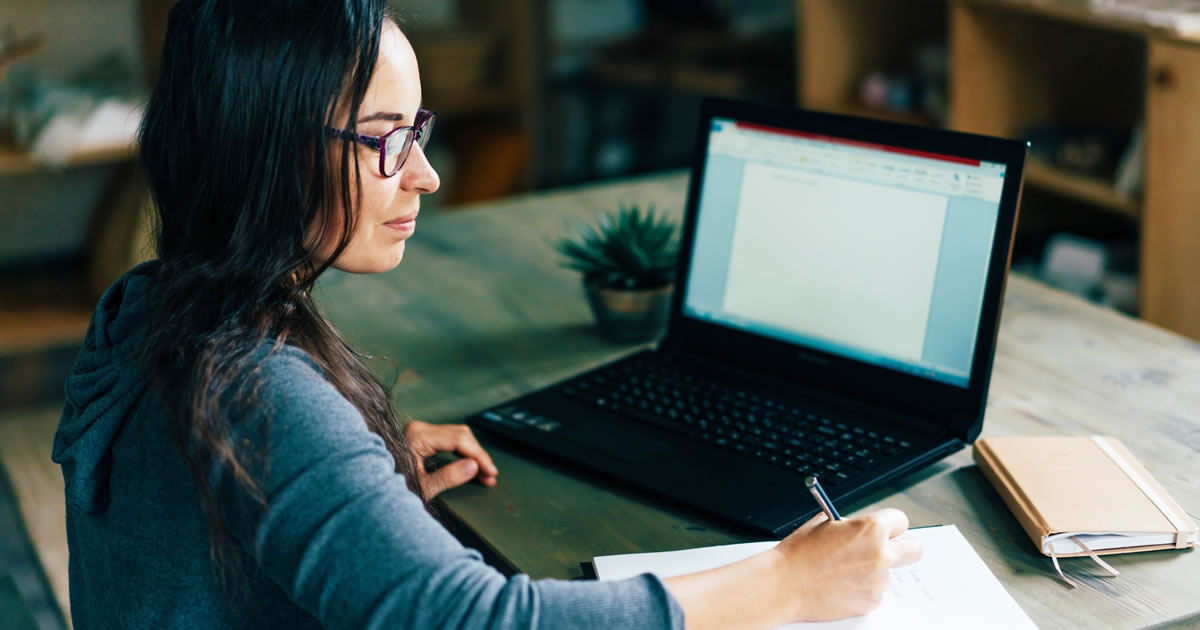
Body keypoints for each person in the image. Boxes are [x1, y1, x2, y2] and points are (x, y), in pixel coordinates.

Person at [51, 1, 922, 628]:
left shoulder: (149, 303)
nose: (425, 173)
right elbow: (473, 620)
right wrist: (787, 586)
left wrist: (355, 483)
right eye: (387, 137)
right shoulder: (261, 389)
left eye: (417, 129)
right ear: (268, 150)